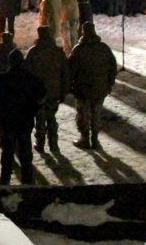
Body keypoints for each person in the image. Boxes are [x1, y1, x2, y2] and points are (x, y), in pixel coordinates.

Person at [0, 50, 45, 184]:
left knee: (7, 151)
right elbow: (42, 97)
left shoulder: (1, 79)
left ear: (9, 62)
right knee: (25, 150)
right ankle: (27, 178)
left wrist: (0, 109)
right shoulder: (31, 78)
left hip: (7, 120)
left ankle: (5, 178)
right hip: (25, 120)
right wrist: (33, 109)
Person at [68, 22, 118, 150]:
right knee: (96, 113)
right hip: (100, 88)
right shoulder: (104, 48)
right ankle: (95, 139)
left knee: (82, 114)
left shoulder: (78, 50)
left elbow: (70, 70)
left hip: (82, 89)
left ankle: (85, 138)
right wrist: (109, 83)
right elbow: (112, 67)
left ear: (83, 32)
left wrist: (69, 86)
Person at [24, 26, 69, 154]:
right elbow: (65, 73)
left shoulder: (33, 52)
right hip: (54, 91)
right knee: (51, 117)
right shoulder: (58, 52)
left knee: (40, 119)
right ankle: (54, 144)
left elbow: (26, 74)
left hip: (38, 93)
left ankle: (40, 143)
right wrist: (64, 91)